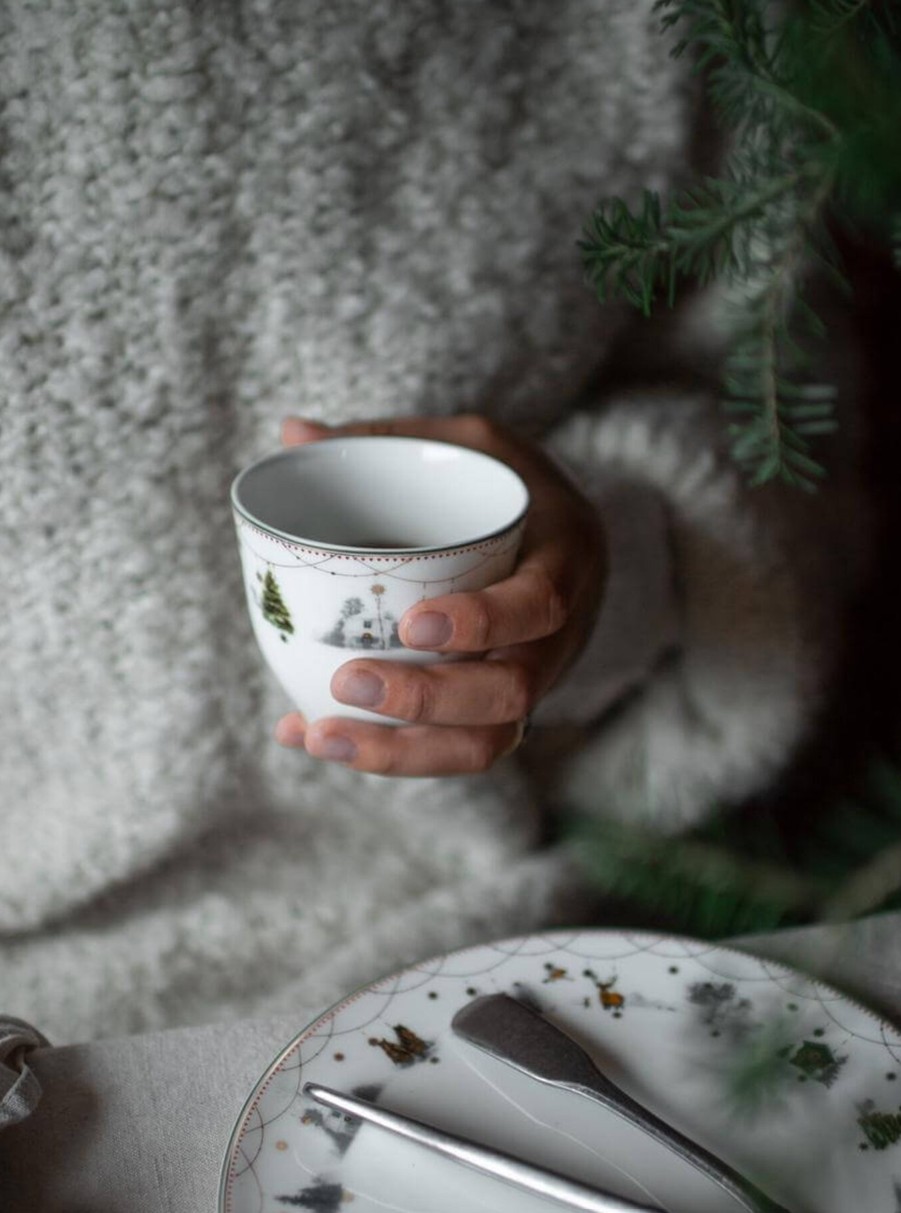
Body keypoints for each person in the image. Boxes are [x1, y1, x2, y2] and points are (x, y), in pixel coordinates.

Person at [0, 0, 870, 1064]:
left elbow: (787, 428)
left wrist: (602, 580)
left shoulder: (689, 29)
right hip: (38, 1030)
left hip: (504, 945)